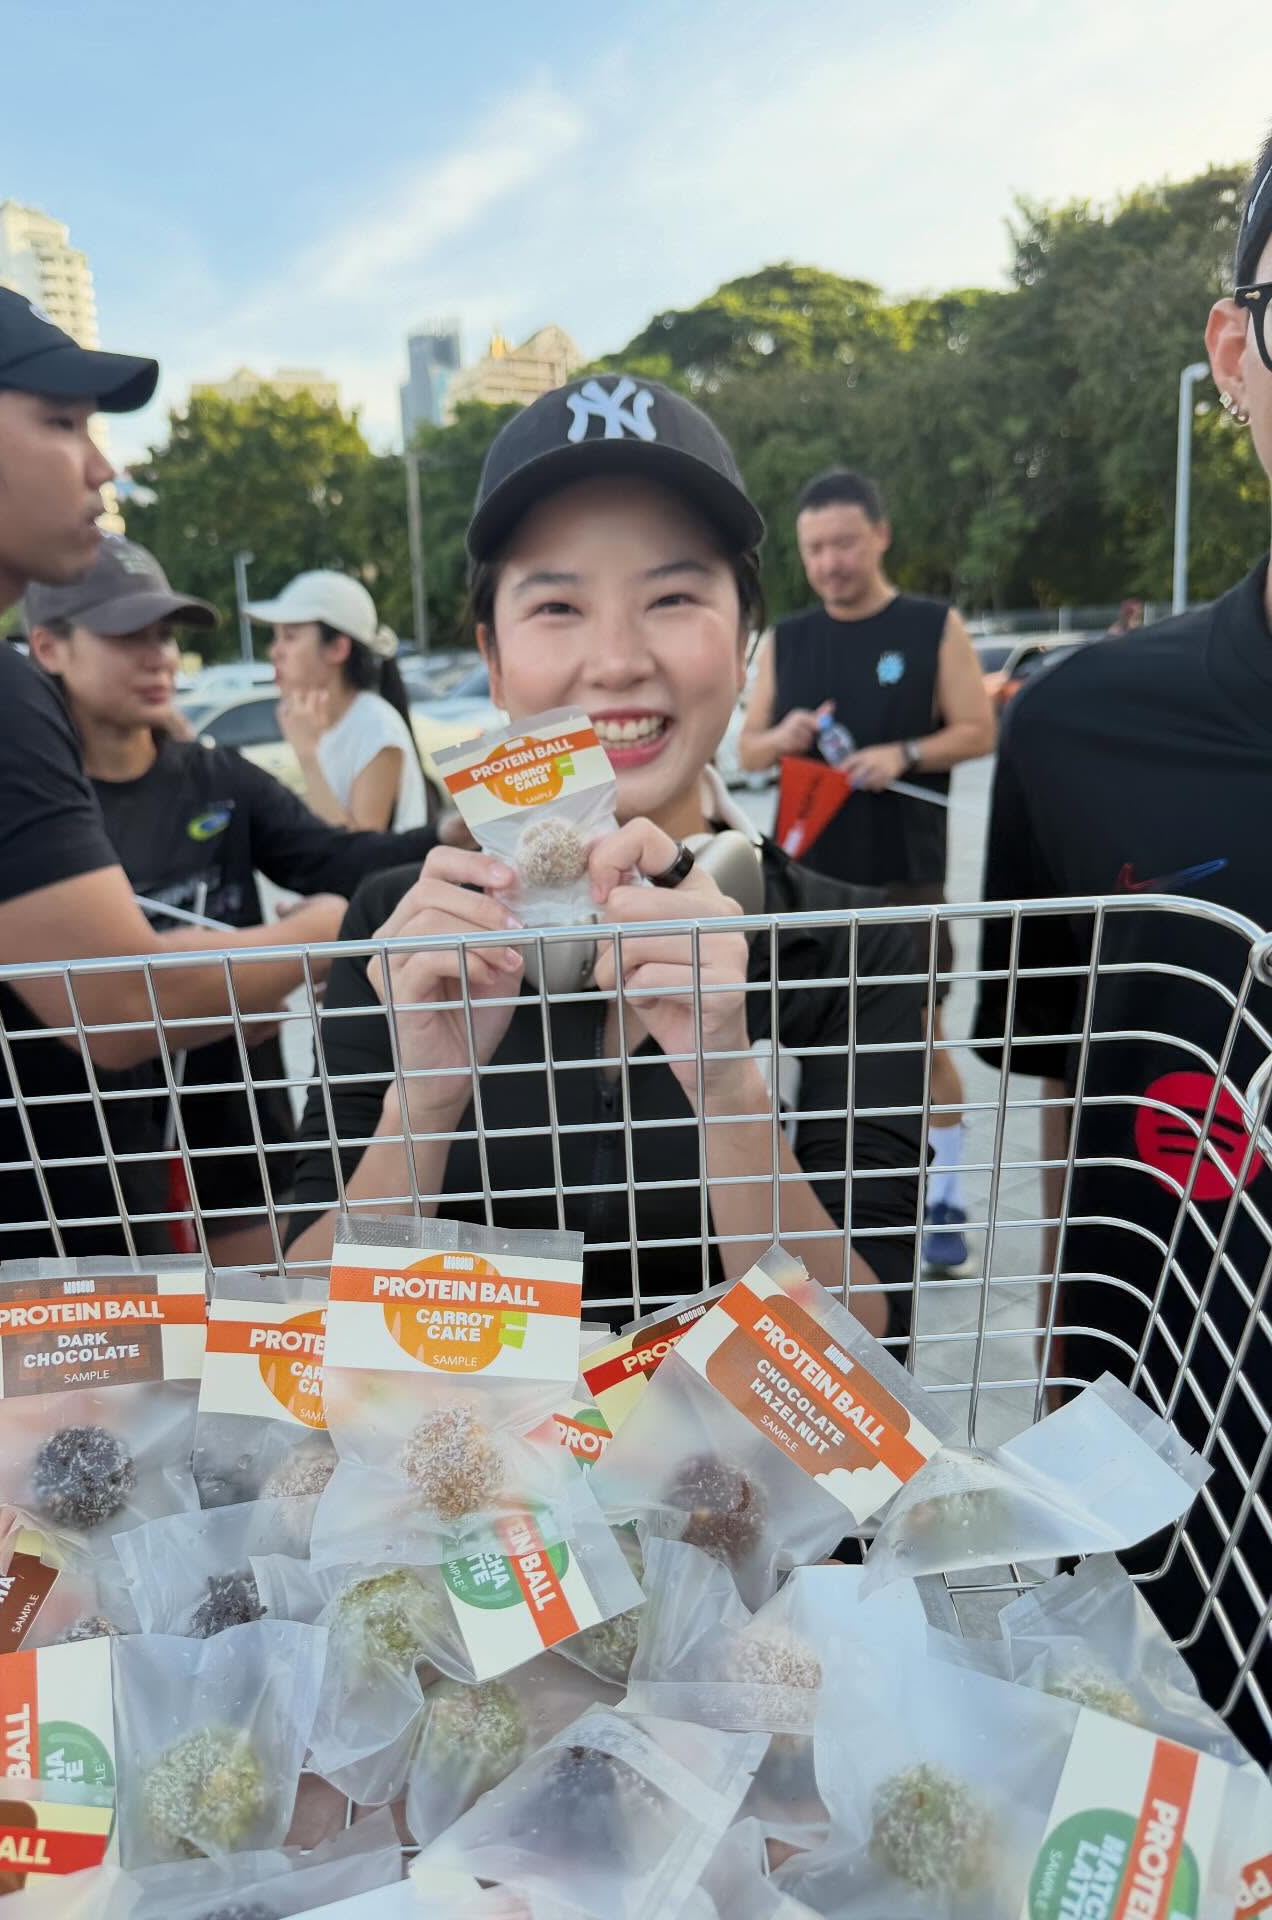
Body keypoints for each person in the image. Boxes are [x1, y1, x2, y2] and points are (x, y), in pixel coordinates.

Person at [0, 279, 442, 1355]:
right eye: (62, 424)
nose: (103, 466)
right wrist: (317, 935)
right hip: (47, 1280)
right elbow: (113, 1001)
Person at [285, 377, 928, 1337]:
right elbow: (302, 1320)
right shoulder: (399, 924)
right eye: (557, 607)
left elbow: (871, 1337)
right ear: (492, 658)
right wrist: (422, 1099)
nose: (619, 659)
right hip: (467, 1483)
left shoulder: (853, 939)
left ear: (747, 642)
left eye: (672, 595)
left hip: (742, 1485)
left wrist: (726, 1086)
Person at [970, 133, 1272, 1762]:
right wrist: (1057, 1445)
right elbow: (1066, 1126)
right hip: (1187, 1526)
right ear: (1236, 354)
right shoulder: (1085, 734)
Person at [25, 532, 441, 1268]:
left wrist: (457, 831)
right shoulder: (32, 806)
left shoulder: (217, 777)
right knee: (142, 1360)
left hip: (236, 1118)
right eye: (127, 634)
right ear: (49, 647)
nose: (158, 654)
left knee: (263, 1328)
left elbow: (337, 857)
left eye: (164, 633)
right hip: (91, 1143)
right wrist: (269, 958)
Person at [739, 469, 996, 1269]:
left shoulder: (930, 626)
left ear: (880, 535)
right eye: (814, 548)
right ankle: (817, 1202)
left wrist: (905, 753)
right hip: (806, 879)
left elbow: (979, 729)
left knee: (921, 1042)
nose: (829, 562)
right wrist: (778, 735)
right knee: (800, 1046)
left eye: (844, 543)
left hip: (904, 878)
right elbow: (745, 747)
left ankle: (945, 1195)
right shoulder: (788, 638)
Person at [247, 570, 429, 831]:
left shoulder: (376, 727)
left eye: (290, 636)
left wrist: (307, 756)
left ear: (337, 648)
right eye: (275, 637)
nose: (274, 651)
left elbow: (357, 854)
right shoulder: (321, 721)